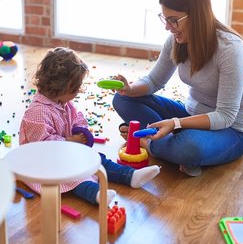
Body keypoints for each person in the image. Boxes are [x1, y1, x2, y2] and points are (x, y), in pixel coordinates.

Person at [112, 0, 243, 177]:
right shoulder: (176, 40)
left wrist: (176, 124)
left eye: (173, 20)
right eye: (165, 18)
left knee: (189, 148)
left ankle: (149, 142)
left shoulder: (230, 49)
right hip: (189, 116)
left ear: (197, 16)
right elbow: (154, 82)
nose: (167, 27)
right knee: (123, 99)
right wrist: (130, 89)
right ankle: (167, 145)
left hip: (230, 131)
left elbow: (225, 117)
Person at [19, 47, 160, 205]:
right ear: (66, 87)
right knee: (75, 177)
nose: (79, 91)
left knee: (97, 160)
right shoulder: (37, 112)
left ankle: (131, 176)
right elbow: (43, 148)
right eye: (77, 88)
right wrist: (70, 142)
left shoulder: (64, 103)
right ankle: (96, 194)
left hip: (65, 154)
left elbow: (77, 119)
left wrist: (82, 132)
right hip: (43, 165)